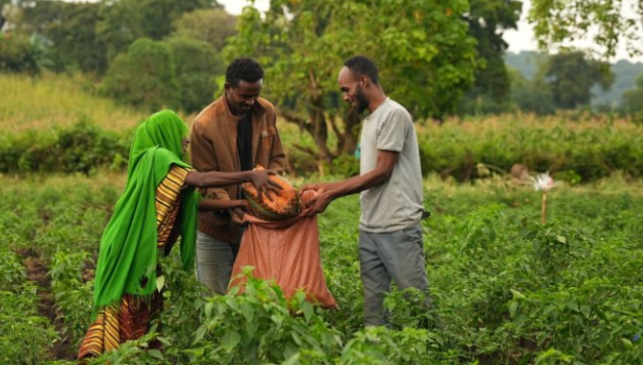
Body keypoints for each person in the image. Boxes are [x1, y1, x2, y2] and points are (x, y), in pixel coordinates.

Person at [78, 110, 280, 360]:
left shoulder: (156, 165)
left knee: (143, 312)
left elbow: (193, 202)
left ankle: (127, 357)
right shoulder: (159, 157)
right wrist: (250, 175)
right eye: (179, 133)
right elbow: (201, 180)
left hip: (137, 248)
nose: (186, 140)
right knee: (130, 310)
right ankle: (117, 357)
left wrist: (235, 205)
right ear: (165, 133)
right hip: (131, 248)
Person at [301, 55, 429, 327]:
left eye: (346, 89)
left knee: (418, 305)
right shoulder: (371, 119)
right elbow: (368, 174)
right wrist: (325, 187)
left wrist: (331, 195)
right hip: (370, 228)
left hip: (397, 226)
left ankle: (439, 347)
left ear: (364, 81)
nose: (345, 97)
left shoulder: (393, 115)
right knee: (375, 312)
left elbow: (382, 172)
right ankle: (376, 348)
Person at [190, 57, 288, 294]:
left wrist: (269, 182)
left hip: (256, 223)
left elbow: (277, 158)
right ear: (228, 88)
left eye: (255, 95)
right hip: (216, 228)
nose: (250, 102)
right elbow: (205, 179)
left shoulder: (266, 111)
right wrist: (230, 206)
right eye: (244, 96)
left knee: (255, 296)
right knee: (215, 298)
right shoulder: (204, 125)